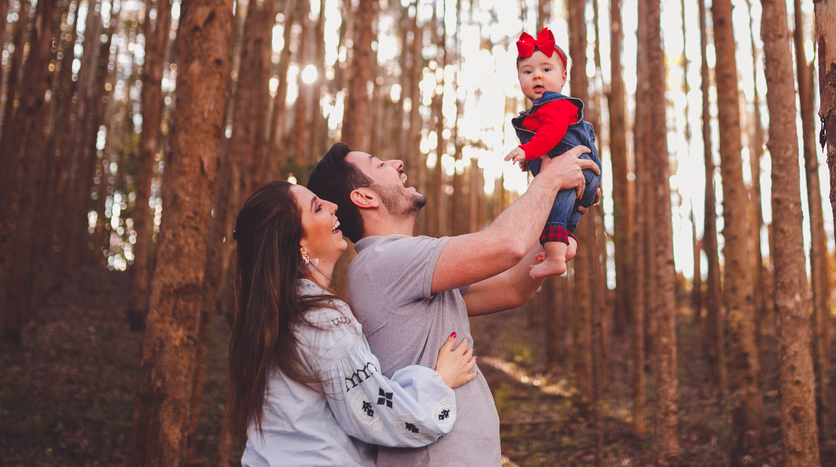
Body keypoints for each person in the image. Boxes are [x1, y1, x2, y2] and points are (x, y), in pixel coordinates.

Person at [307, 141, 596, 467]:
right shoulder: (383, 260)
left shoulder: (407, 268)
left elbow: (513, 287)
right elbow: (507, 244)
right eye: (379, 164)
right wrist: (550, 179)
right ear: (364, 197)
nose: (397, 162)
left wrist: (561, 215)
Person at [226, 181, 480, 466]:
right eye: (317, 208)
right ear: (298, 243)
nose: (334, 206)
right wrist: (439, 381)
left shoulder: (279, 316)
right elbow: (380, 414)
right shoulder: (321, 320)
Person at [504, 27, 603, 278]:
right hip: (581, 175)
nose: (537, 75)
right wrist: (531, 160)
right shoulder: (538, 112)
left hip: (572, 172)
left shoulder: (556, 104)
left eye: (546, 69)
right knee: (561, 211)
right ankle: (567, 244)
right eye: (528, 72)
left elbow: (553, 133)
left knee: (551, 210)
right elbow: (547, 144)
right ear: (519, 78)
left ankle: (556, 258)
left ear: (563, 77)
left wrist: (528, 150)